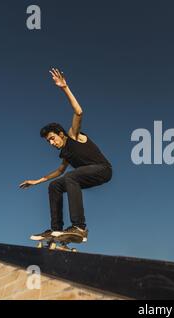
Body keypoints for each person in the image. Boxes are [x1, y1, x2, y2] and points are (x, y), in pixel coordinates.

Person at [19, 68, 112, 242]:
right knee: (55, 185)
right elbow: (59, 171)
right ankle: (56, 231)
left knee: (71, 177)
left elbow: (79, 112)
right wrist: (36, 181)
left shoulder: (73, 135)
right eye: (49, 142)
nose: (52, 143)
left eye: (53, 139)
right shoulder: (65, 154)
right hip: (87, 175)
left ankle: (79, 227)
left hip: (104, 170)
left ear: (60, 134)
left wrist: (64, 87)